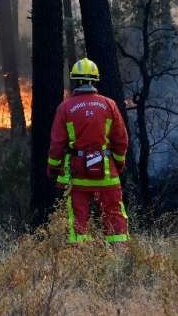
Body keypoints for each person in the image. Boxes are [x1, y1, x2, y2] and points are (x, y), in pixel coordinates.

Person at [47, 58, 130, 244]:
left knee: (78, 219)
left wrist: (53, 168)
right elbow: (120, 140)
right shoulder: (109, 105)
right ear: (95, 80)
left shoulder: (65, 107)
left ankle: (80, 255)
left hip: (77, 174)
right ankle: (119, 254)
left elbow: (57, 144)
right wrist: (118, 163)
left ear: (75, 81)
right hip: (106, 172)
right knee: (114, 215)